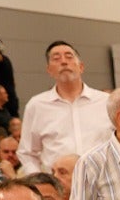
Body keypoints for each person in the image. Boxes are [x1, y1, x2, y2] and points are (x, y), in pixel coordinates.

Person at [17, 42, 112, 172]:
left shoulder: (105, 101)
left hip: (103, 179)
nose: (63, 62)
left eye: (69, 57)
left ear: (81, 67)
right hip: (59, 184)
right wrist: (40, 182)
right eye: (56, 58)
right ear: (49, 70)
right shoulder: (37, 105)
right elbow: (27, 153)